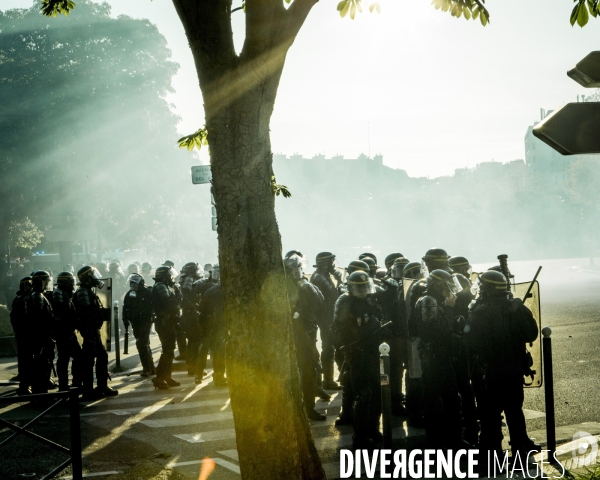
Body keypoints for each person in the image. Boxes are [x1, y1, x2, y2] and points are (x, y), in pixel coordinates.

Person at [466, 270, 541, 460]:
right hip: (514, 370)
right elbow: (531, 334)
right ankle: (520, 448)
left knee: (490, 415)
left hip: (490, 372)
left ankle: (491, 456)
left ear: (488, 289)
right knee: (514, 410)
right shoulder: (516, 308)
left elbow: (470, 340)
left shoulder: (479, 310)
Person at [332, 270, 387, 448]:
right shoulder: (345, 302)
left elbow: (379, 318)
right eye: (358, 287)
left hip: (374, 353)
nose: (362, 290)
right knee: (363, 396)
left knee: (378, 394)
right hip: (357, 354)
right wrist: (358, 335)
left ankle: (373, 429)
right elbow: (338, 330)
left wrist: (380, 330)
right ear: (351, 287)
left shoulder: (372, 300)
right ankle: (360, 437)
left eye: (364, 286)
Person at [413, 269, 467, 449]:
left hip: (441, 355)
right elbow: (435, 332)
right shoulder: (429, 301)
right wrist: (450, 308)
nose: (450, 290)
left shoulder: (433, 300)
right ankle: (436, 441)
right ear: (438, 286)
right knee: (434, 400)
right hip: (433, 356)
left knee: (452, 397)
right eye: (446, 286)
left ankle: (453, 439)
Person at [284, 254, 325, 421]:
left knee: (309, 373)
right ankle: (301, 409)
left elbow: (319, 301)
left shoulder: (304, 285)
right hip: (297, 336)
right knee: (301, 373)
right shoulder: (285, 288)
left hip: (307, 333)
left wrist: (304, 284)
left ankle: (308, 407)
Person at [74, 265, 118, 400]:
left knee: (102, 357)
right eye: (93, 275)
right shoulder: (82, 292)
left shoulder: (89, 291)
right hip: (89, 332)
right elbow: (87, 314)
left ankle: (102, 386)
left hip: (94, 330)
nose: (96, 277)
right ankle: (88, 390)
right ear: (88, 277)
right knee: (88, 361)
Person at [310, 252, 343, 392]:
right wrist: (340, 281)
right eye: (331, 262)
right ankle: (328, 381)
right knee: (329, 349)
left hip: (328, 318)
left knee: (333, 348)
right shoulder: (319, 278)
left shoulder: (323, 276)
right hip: (326, 319)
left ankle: (333, 379)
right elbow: (333, 297)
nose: (333, 265)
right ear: (325, 264)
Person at [151, 265, 183, 389]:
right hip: (164, 323)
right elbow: (170, 304)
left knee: (169, 351)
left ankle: (167, 377)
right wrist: (179, 296)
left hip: (168, 322)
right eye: (170, 275)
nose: (172, 278)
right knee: (167, 351)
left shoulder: (163, 286)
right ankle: (159, 378)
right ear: (164, 277)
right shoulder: (161, 287)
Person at [24, 271, 56, 395]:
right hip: (41, 337)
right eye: (46, 281)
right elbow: (39, 319)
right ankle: (40, 394)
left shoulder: (37, 295)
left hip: (40, 337)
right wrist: (47, 335)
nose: (48, 283)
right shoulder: (37, 296)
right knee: (42, 365)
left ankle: (40, 393)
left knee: (42, 364)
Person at [51, 271, 83, 391]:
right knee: (66, 358)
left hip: (67, 331)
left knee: (69, 357)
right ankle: (66, 384)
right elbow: (61, 314)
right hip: (64, 332)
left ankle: (70, 383)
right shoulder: (59, 294)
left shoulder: (62, 293)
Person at [196, 266, 227, 386]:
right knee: (218, 352)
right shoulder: (222, 292)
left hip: (207, 325)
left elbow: (201, 310)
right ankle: (218, 376)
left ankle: (198, 375)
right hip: (217, 326)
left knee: (204, 349)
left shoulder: (209, 290)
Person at [122, 273, 155, 377]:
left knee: (141, 344)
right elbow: (125, 307)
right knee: (144, 345)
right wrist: (125, 319)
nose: (133, 285)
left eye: (135, 283)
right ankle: (151, 368)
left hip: (145, 322)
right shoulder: (130, 294)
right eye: (132, 283)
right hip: (135, 323)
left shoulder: (147, 292)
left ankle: (147, 368)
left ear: (141, 283)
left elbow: (154, 305)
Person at [179, 262, 204, 375]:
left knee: (192, 341)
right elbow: (185, 295)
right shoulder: (189, 278)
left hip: (189, 314)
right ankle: (194, 368)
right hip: (191, 315)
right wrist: (195, 307)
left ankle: (192, 367)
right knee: (196, 341)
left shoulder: (186, 278)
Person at [10, 276, 33, 395]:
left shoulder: (19, 298)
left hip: (22, 334)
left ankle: (25, 385)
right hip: (25, 335)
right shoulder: (23, 299)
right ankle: (24, 386)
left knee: (25, 360)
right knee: (26, 361)